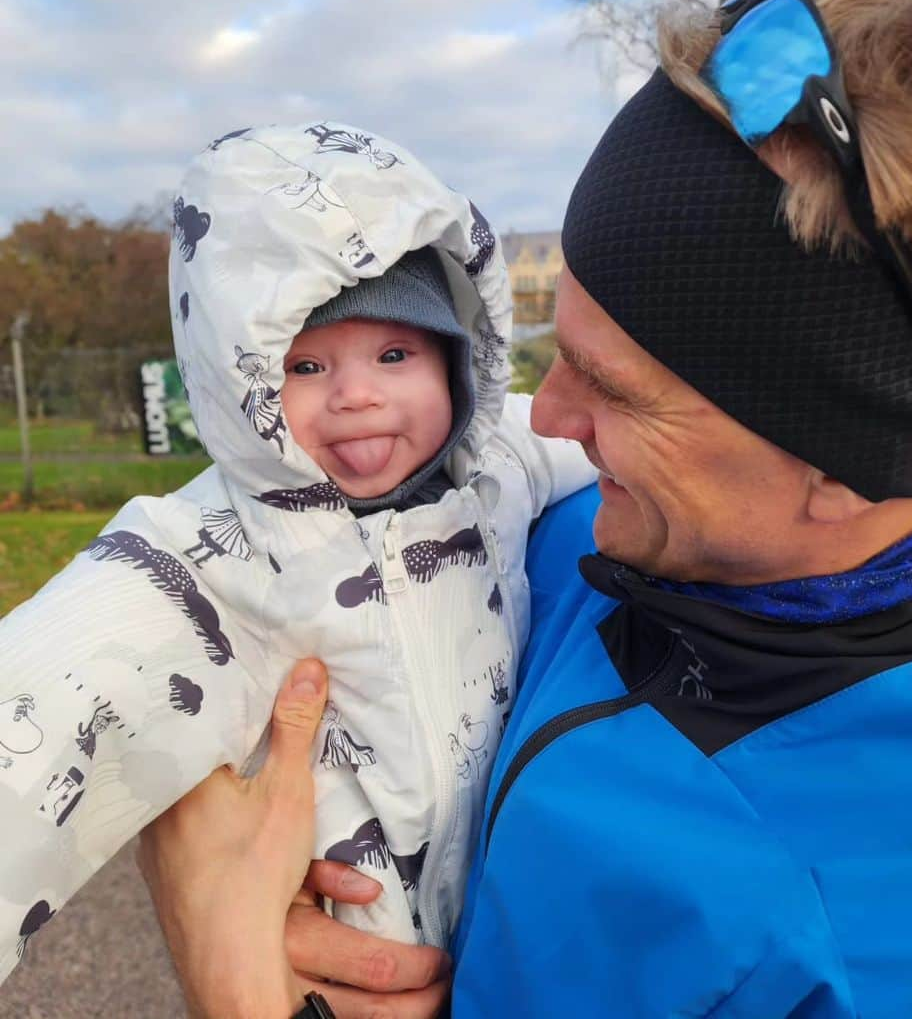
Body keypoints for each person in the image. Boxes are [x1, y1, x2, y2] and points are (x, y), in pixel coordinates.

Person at [142, 0, 912, 1019]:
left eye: (618, 391)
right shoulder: (567, 532)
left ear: (845, 462)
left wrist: (225, 966)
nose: (545, 420)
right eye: (561, 346)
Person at [0, 123, 595, 983]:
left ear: (458, 362)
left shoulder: (499, 459)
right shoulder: (209, 547)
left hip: (513, 921)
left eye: (396, 353)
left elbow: (634, 449)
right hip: (359, 938)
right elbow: (46, 691)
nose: (357, 395)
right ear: (239, 383)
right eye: (306, 366)